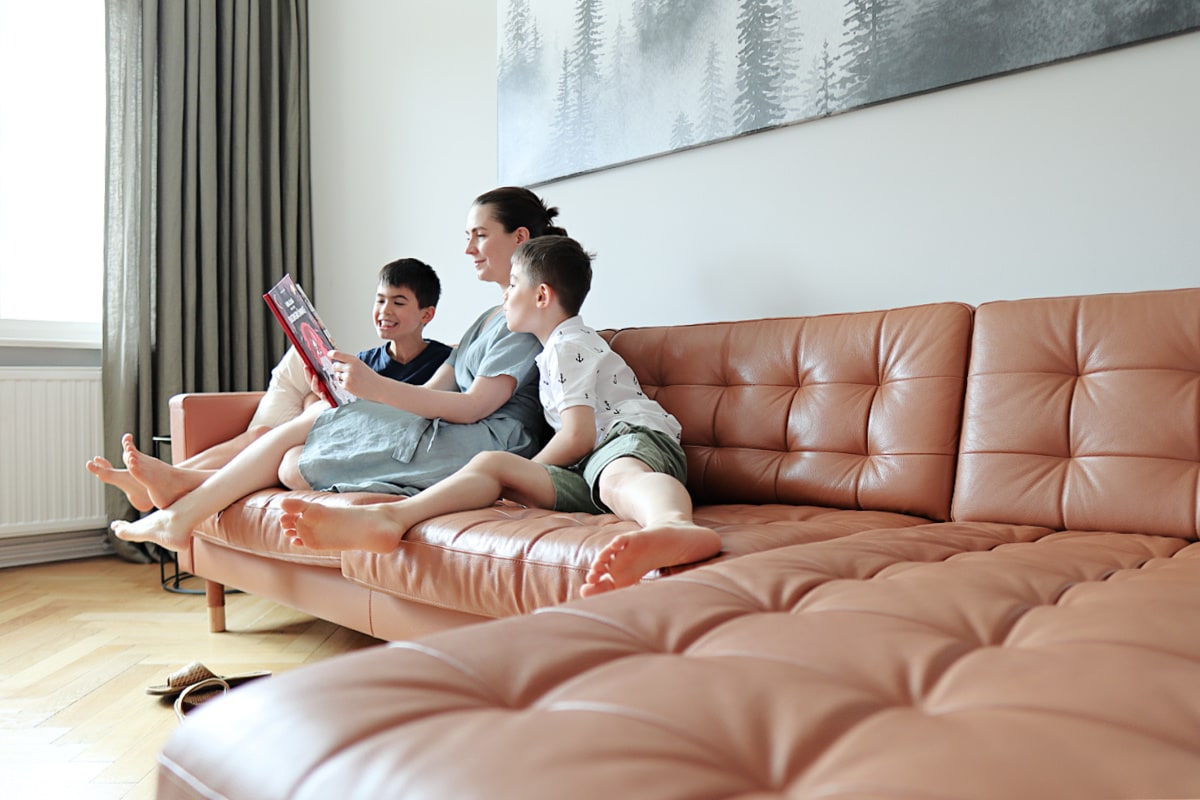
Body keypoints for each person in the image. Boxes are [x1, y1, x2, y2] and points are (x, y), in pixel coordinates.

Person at [108, 187, 566, 551]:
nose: (469, 248)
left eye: (479, 235)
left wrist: (373, 390)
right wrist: (358, 391)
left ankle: (182, 502)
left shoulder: (526, 318)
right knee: (294, 453)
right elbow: (432, 390)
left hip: (487, 442)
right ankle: (182, 497)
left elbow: (472, 408)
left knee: (301, 447)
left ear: (519, 238)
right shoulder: (489, 316)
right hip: (448, 431)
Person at [278, 235, 723, 598]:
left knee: (618, 476)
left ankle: (673, 525)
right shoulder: (548, 353)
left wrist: (528, 475)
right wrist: (518, 479)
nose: (504, 295)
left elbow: (580, 434)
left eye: (512, 286)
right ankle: (391, 519)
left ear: (542, 295)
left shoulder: (569, 345)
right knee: (491, 465)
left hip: (630, 439)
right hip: (588, 468)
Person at [86, 258, 451, 512]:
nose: (384, 310)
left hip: (365, 448)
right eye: (380, 299)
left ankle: (167, 483)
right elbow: (340, 406)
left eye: (398, 302)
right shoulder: (366, 360)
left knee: (273, 444)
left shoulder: (442, 363)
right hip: (338, 431)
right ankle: (165, 479)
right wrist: (319, 387)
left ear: (426, 315)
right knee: (260, 434)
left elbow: (427, 414)